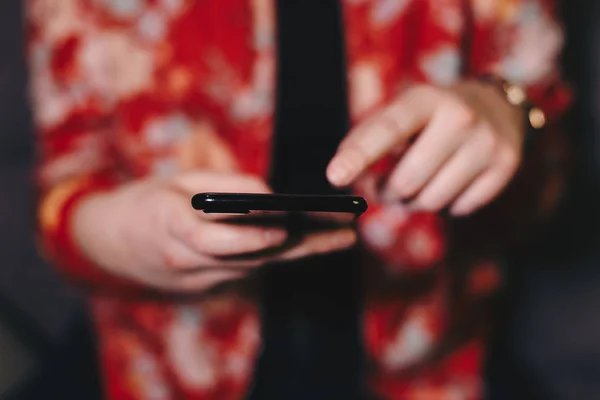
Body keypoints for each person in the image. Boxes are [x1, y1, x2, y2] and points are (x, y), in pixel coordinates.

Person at [26, 0, 570, 399]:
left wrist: (510, 111)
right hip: (162, 362)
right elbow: (64, 185)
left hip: (429, 357)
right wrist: (115, 236)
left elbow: (547, 197)